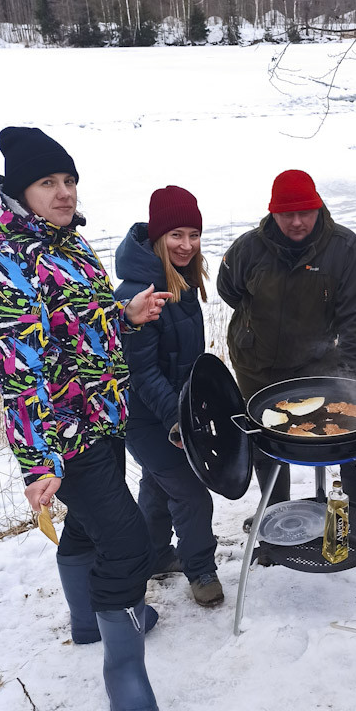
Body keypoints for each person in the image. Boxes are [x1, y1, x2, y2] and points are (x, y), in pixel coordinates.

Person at [0, 126, 172, 711]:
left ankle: (85, 620)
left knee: (92, 526)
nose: (64, 192)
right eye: (49, 182)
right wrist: (38, 462)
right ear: (21, 191)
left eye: (69, 180)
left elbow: (79, 318)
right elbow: (17, 374)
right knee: (128, 544)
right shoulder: (9, 260)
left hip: (103, 415)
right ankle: (123, 669)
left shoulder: (69, 243)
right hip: (65, 436)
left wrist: (122, 313)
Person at [217, 169, 356, 557]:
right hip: (257, 366)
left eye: (305, 212)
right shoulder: (248, 249)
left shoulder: (343, 248)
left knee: (353, 438)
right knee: (265, 442)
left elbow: (355, 319)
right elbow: (230, 291)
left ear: (318, 206)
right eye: (286, 214)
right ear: (272, 212)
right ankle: (276, 517)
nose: (296, 222)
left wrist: (352, 382)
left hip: (318, 366)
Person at [114, 185, 223, 607]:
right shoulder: (138, 294)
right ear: (159, 237)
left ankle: (156, 554)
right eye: (177, 235)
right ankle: (201, 571)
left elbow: (184, 358)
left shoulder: (182, 282)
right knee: (190, 490)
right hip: (145, 417)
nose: (187, 244)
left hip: (172, 410)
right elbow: (141, 372)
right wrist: (177, 418)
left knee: (159, 484)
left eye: (194, 234)